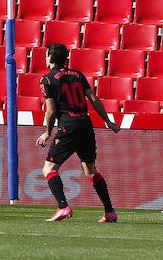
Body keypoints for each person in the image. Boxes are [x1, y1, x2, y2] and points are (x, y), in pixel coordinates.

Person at [36, 42, 121, 222]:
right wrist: (108, 121)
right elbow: (93, 98)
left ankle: (63, 206)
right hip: (86, 124)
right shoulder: (78, 75)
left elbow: (50, 111)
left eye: (45, 55)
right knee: (90, 170)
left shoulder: (47, 79)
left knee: (49, 168)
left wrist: (47, 132)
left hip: (68, 125)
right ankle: (109, 212)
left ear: (51, 57)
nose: (45, 58)